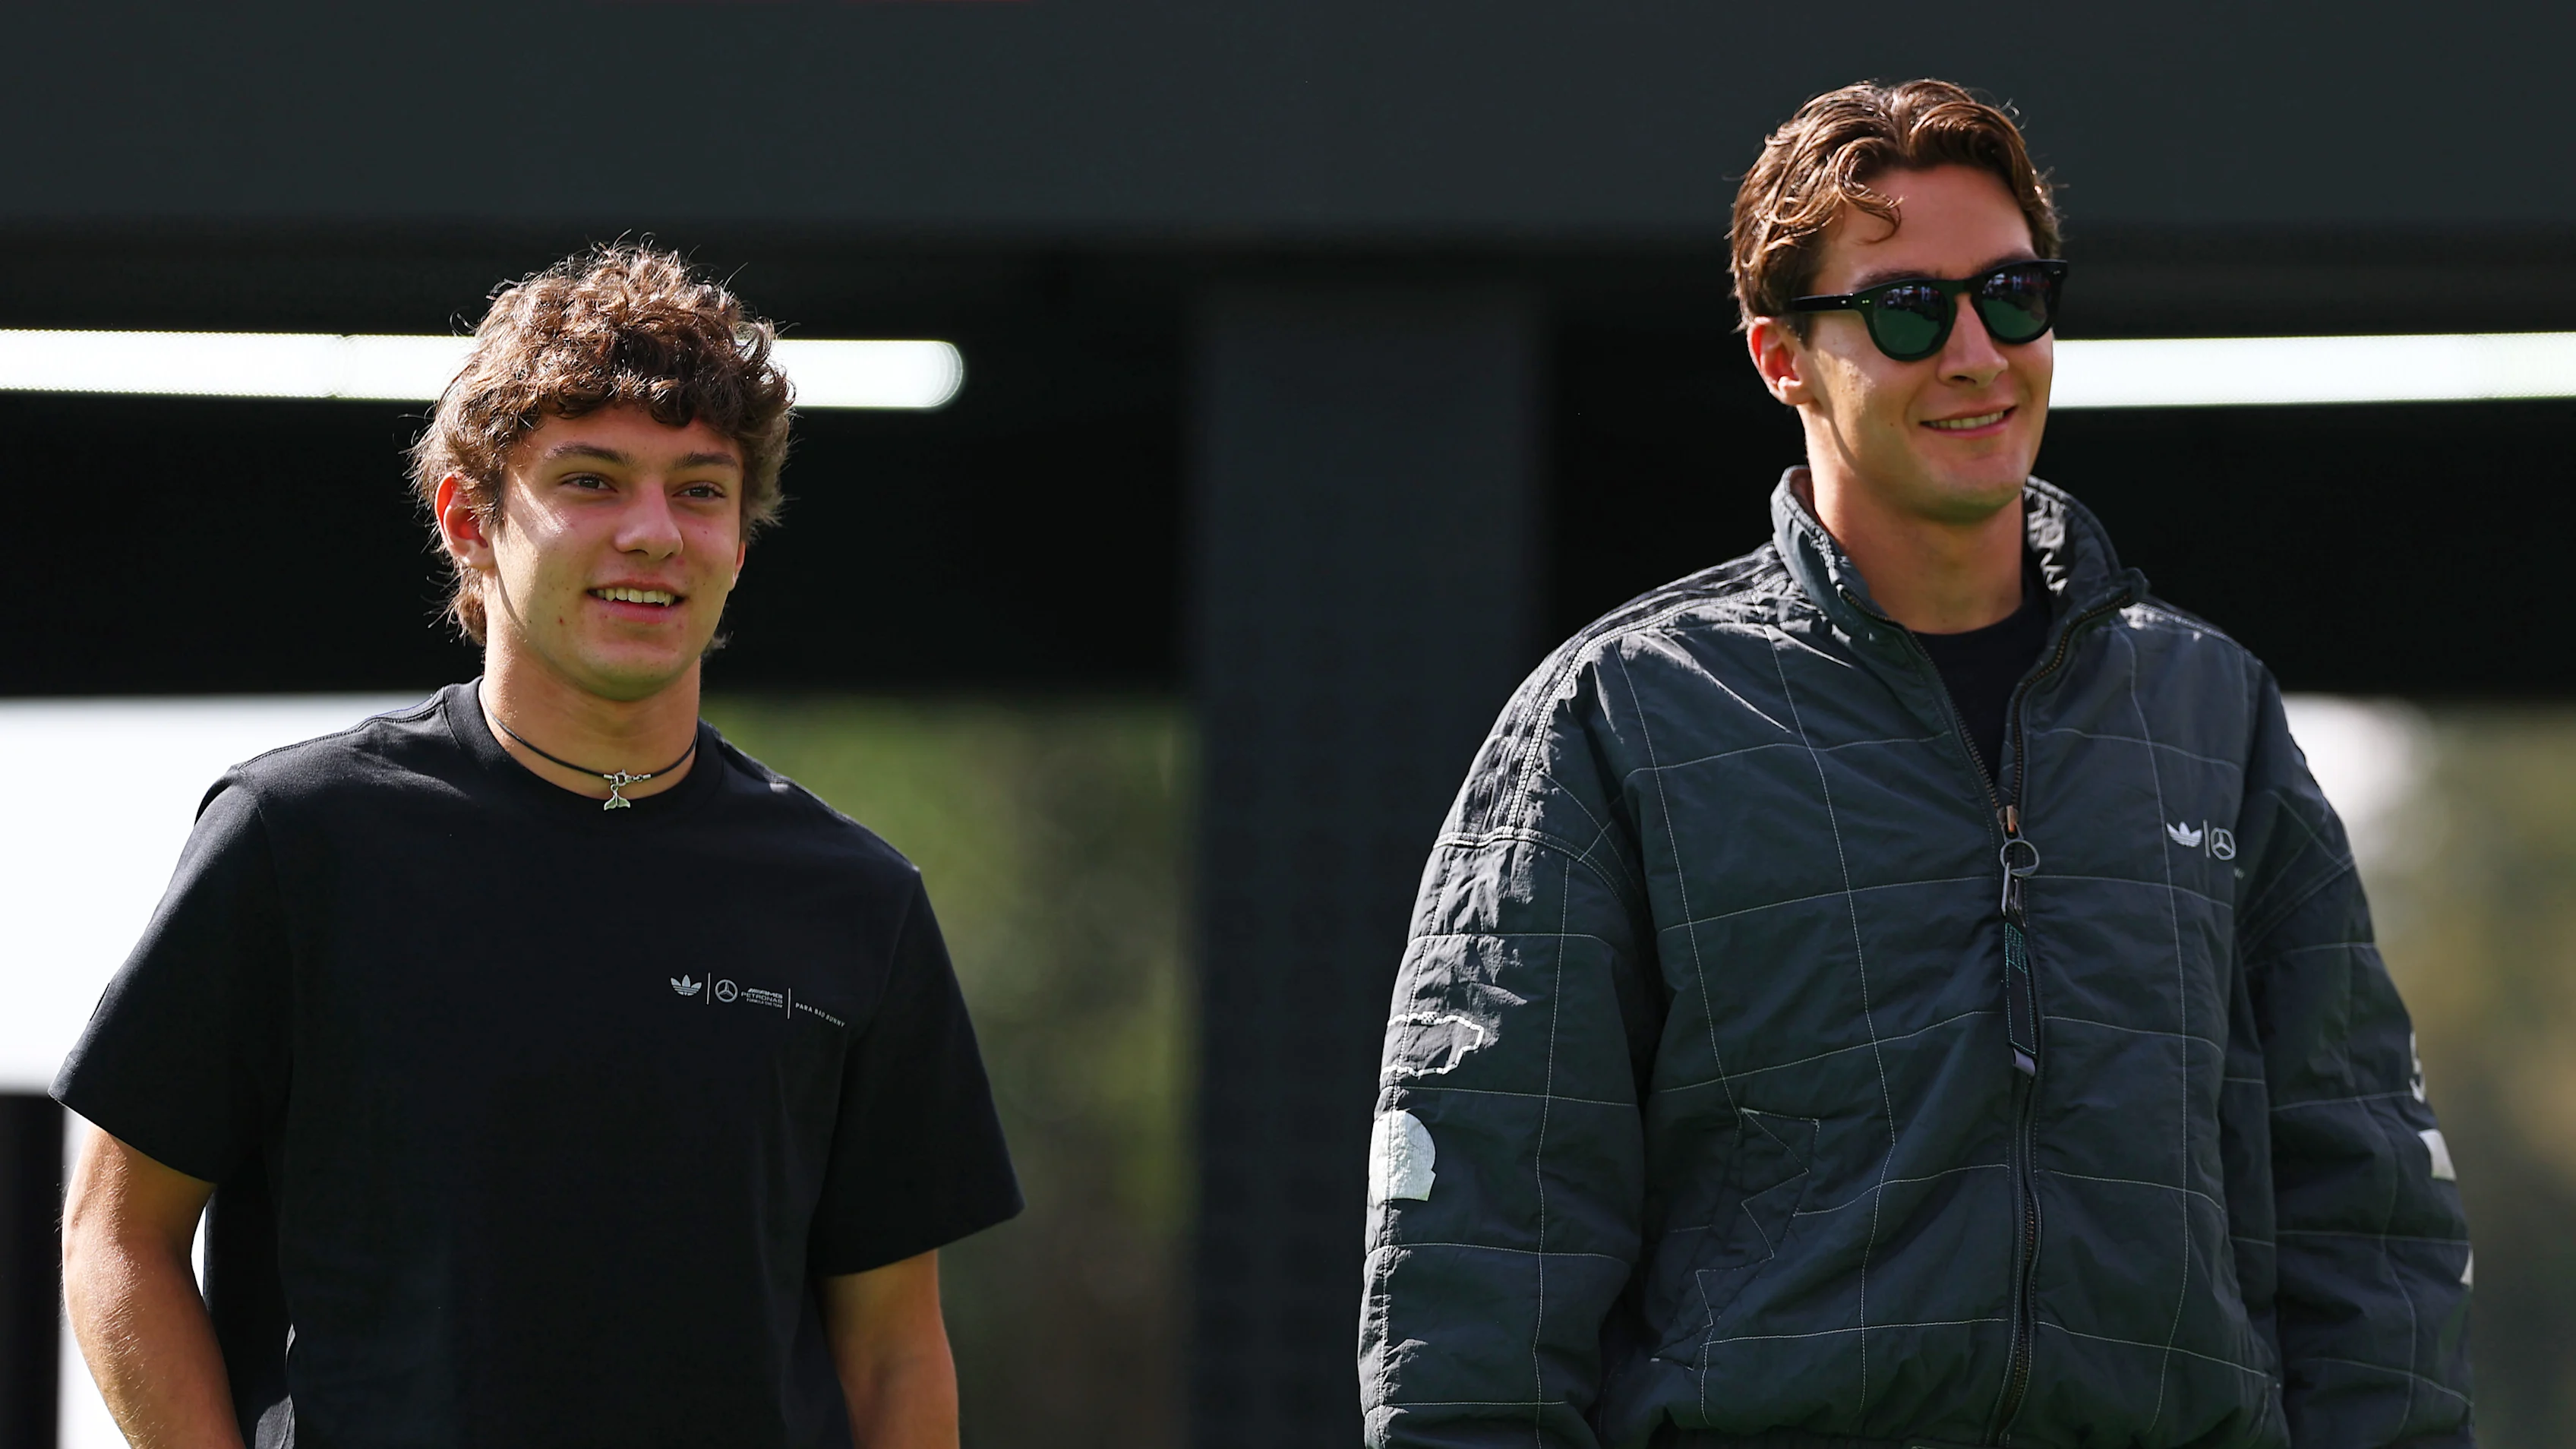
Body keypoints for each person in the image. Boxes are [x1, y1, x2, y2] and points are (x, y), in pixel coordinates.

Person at [1359, 80, 2471, 1448]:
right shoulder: (1619, 718)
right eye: (1905, 309)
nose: (1975, 354)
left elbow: (2367, 1219)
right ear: (1781, 356)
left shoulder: (2211, 714)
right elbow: (1480, 1249)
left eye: (2012, 295)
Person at [56, 245, 1021, 1449]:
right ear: (470, 519)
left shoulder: (855, 900)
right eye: (594, 479)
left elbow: (892, 1352)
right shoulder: (297, 839)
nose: (656, 533)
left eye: (702, 489)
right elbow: (114, 1234)